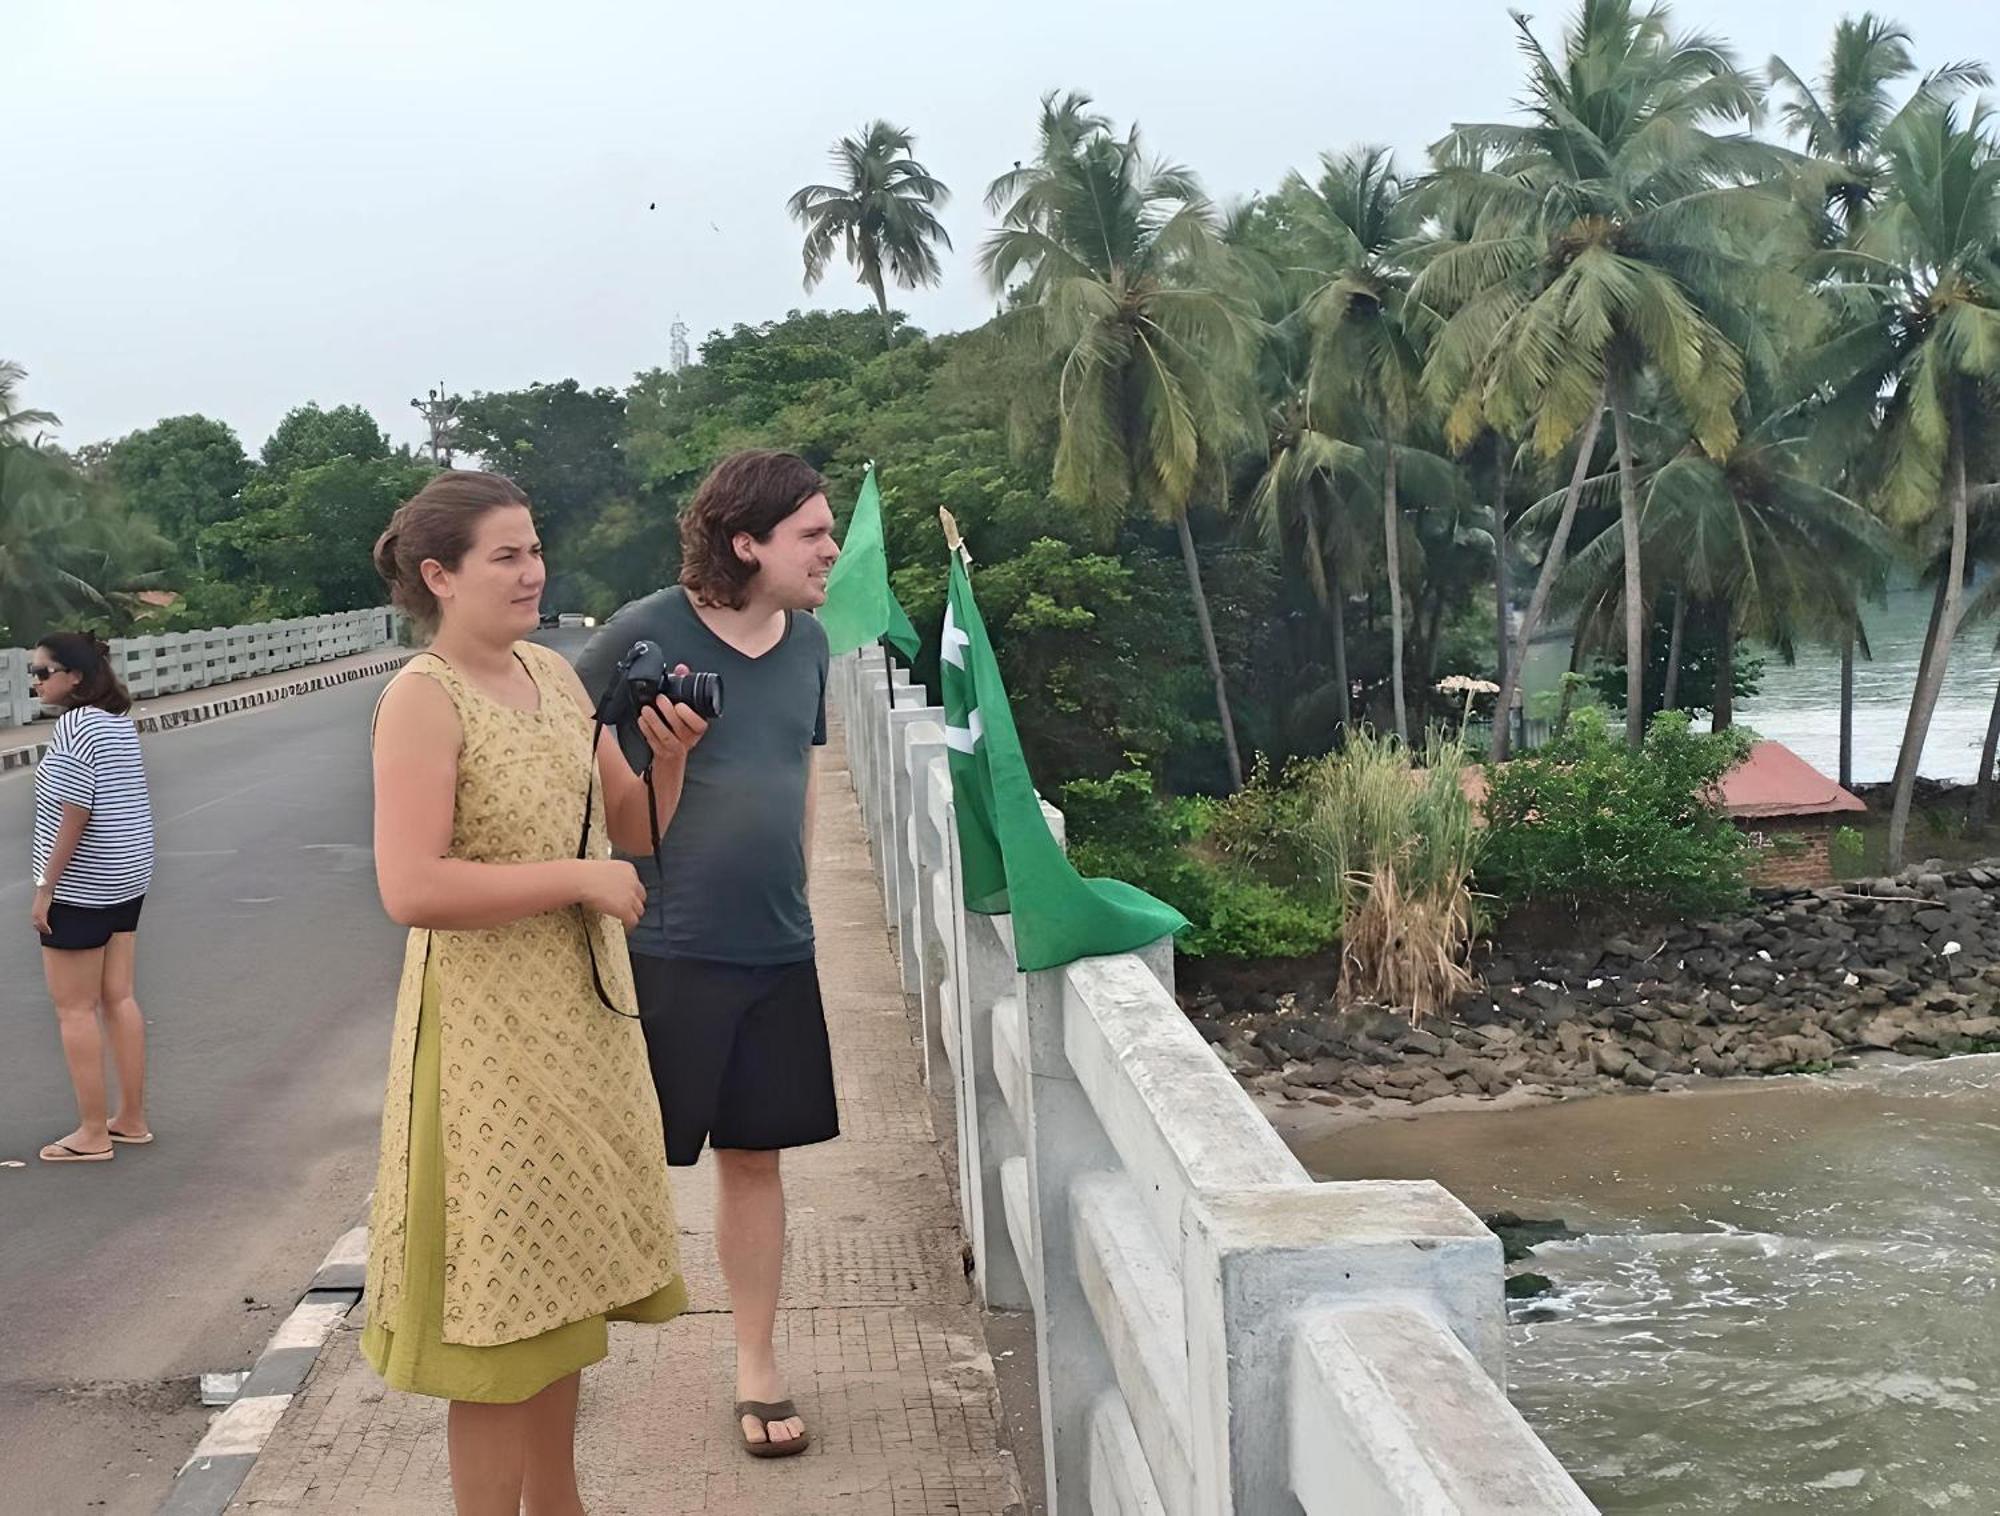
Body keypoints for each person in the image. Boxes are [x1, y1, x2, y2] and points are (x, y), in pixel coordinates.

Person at [364, 470, 708, 1516]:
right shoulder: (423, 697)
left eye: (533, 548)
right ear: (440, 575)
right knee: (499, 1327)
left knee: (560, 1305)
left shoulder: (553, 678)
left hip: (578, 1027)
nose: (531, 570)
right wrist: (576, 880)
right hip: (484, 1041)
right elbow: (410, 886)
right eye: (504, 555)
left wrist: (670, 761)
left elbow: (632, 831)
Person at [577, 448, 841, 1459]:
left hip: (774, 945)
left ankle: (756, 1367)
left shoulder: (809, 640)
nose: (826, 548)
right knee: (612, 1162)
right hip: (661, 947)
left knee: (754, 1157)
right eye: (811, 533)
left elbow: (799, 776)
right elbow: (547, 741)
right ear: (747, 542)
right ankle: (559, 1351)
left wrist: (804, 892)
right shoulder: (643, 633)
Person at [29, 632, 156, 1164]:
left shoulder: (75, 726)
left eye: (43, 672)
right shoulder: (114, 724)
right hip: (126, 879)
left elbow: (75, 809)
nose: (35, 682)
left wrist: (46, 888)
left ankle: (91, 1133)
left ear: (74, 677)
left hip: (83, 886)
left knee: (74, 1009)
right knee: (117, 997)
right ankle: (129, 1119)